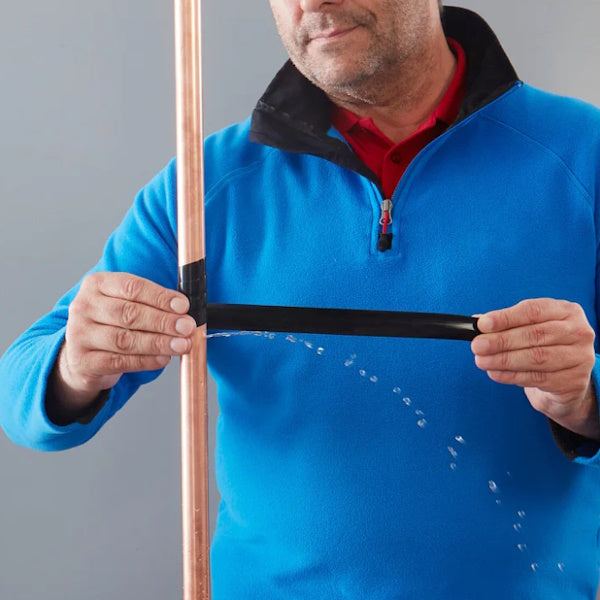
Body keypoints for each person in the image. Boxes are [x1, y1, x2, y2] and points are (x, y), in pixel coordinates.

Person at [1, 1, 600, 597]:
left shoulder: (584, 154)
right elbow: (19, 392)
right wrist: (75, 362)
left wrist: (584, 397)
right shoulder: (204, 189)